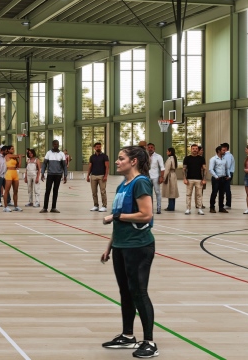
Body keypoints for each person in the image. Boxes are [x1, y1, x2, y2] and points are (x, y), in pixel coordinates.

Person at [101, 145, 158, 359]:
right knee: (125, 292)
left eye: (121, 158)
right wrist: (109, 247)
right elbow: (118, 219)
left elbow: (146, 214)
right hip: (122, 247)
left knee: (139, 292)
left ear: (133, 161)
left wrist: (117, 217)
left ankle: (149, 342)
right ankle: (128, 335)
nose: (117, 161)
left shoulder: (140, 182)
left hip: (139, 247)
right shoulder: (122, 186)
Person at [41, 140, 67, 213]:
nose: (56, 145)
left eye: (57, 144)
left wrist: (65, 175)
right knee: (47, 191)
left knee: (55, 191)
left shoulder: (62, 154)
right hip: (50, 174)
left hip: (58, 175)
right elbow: (44, 164)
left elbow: (64, 166)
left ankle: (53, 208)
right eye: (55, 144)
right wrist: (42, 173)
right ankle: (45, 208)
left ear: (58, 145)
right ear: (52, 145)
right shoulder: (48, 153)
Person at [182, 144, 206, 215]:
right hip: (189, 179)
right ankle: (188, 209)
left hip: (199, 179)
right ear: (191, 149)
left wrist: (204, 179)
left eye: (196, 148)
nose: (195, 150)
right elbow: (184, 169)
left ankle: (200, 208)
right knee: (188, 194)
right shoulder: (187, 158)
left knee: (199, 194)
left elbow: (204, 169)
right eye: (193, 148)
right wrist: (184, 178)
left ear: (198, 150)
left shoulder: (201, 158)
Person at [87, 142, 109, 212]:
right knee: (94, 192)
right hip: (93, 176)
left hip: (101, 176)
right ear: (94, 148)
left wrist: (106, 176)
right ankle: (96, 205)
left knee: (103, 191)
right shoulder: (92, 157)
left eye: (99, 147)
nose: (98, 148)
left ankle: (104, 206)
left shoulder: (104, 156)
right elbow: (90, 167)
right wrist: (88, 176)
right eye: (97, 147)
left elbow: (107, 166)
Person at [208, 146, 229, 213]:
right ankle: (212, 207)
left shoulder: (224, 159)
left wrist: (228, 175)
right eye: (223, 150)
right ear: (219, 151)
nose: (224, 151)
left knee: (222, 194)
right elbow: (211, 169)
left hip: (223, 178)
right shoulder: (213, 159)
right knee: (214, 193)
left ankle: (221, 207)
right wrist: (216, 176)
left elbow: (227, 168)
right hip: (216, 179)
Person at [146, 143, 165, 214]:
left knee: (157, 192)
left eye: (152, 147)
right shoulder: (145, 156)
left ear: (154, 148)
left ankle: (158, 208)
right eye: (149, 147)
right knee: (148, 193)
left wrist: (161, 177)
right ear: (147, 148)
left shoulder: (158, 156)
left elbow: (162, 167)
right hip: (147, 177)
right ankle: (149, 209)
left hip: (156, 177)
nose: (150, 148)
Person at [3, 145, 22, 212]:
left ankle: (16, 206)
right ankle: (5, 206)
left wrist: (20, 158)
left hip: (15, 173)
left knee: (16, 190)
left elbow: (18, 166)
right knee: (7, 190)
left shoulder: (15, 157)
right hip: (9, 173)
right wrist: (19, 155)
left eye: (13, 149)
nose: (13, 150)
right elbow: (16, 155)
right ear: (8, 150)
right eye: (11, 149)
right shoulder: (7, 156)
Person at [221, 143, 235, 208]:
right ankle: (223, 203)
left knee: (227, 189)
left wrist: (228, 175)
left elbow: (228, 166)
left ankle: (228, 204)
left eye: (222, 147)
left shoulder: (228, 156)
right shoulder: (225, 155)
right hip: (226, 173)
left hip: (227, 173)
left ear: (226, 148)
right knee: (224, 189)